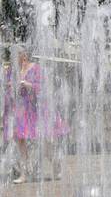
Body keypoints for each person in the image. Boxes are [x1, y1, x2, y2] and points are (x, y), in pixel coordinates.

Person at [5, 48, 69, 183]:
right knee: (20, 142)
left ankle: (56, 164)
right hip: (20, 110)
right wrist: (11, 86)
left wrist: (27, 84)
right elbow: (7, 88)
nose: (12, 60)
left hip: (37, 110)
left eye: (14, 57)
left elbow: (44, 88)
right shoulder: (12, 71)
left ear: (23, 57)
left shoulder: (36, 69)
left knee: (44, 142)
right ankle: (24, 174)